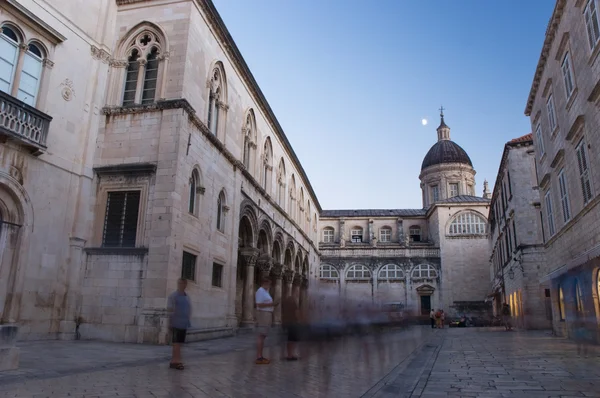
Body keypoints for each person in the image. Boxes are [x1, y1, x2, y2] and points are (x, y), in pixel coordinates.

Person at [167, 278, 191, 370]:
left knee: (179, 343)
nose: (182, 285)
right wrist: (170, 322)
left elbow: (188, 309)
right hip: (176, 322)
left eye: (184, 283)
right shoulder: (173, 296)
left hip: (183, 323)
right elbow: (170, 309)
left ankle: (174, 361)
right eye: (180, 283)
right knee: (176, 343)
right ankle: (176, 361)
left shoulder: (186, 296)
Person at [255, 277, 278, 364]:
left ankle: (260, 355)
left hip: (267, 314)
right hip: (263, 314)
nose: (269, 285)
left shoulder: (265, 292)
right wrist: (272, 304)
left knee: (263, 335)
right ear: (264, 283)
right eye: (269, 283)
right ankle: (259, 357)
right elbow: (259, 304)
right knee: (261, 335)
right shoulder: (260, 291)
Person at [282, 294, 301, 360]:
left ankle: (290, 354)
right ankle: (291, 354)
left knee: (290, 339)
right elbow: (297, 313)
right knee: (293, 340)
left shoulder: (285, 306)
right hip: (293, 323)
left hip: (288, 323)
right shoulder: (294, 305)